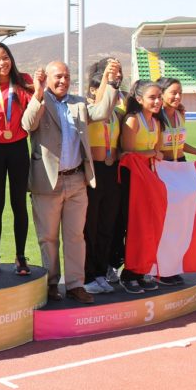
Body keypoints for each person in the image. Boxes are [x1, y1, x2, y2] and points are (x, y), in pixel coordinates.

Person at [22, 60, 119, 304]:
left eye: (66, 76)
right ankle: (52, 283)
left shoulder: (78, 102)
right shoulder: (40, 100)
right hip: (48, 182)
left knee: (76, 236)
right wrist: (37, 94)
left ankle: (75, 284)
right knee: (49, 238)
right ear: (47, 78)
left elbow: (102, 112)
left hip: (77, 180)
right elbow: (27, 124)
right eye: (58, 77)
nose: (63, 81)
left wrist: (112, 83)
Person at [154, 76, 196, 286]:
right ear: (161, 94)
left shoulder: (180, 115)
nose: (178, 96)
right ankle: (158, 269)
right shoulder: (155, 117)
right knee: (165, 222)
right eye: (173, 92)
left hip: (179, 166)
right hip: (162, 171)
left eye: (180, 92)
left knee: (180, 221)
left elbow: (180, 142)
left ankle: (171, 267)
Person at [0, 42, 34, 276]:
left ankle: (21, 256)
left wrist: (39, 87)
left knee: (18, 204)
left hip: (18, 148)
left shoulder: (22, 81)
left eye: (5, 58)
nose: (2, 63)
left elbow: (35, 110)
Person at [117, 80, 163, 294]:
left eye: (159, 97)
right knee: (134, 225)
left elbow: (158, 152)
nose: (157, 101)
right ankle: (128, 273)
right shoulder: (133, 121)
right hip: (132, 179)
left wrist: (155, 155)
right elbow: (126, 154)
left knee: (148, 225)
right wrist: (151, 154)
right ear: (139, 99)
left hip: (148, 180)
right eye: (152, 97)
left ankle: (142, 269)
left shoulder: (156, 123)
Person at [81, 68, 122, 295]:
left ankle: (101, 271)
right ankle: (87, 274)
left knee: (107, 225)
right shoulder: (86, 112)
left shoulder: (117, 114)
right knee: (90, 226)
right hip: (93, 173)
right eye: (106, 88)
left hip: (112, 172)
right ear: (93, 91)